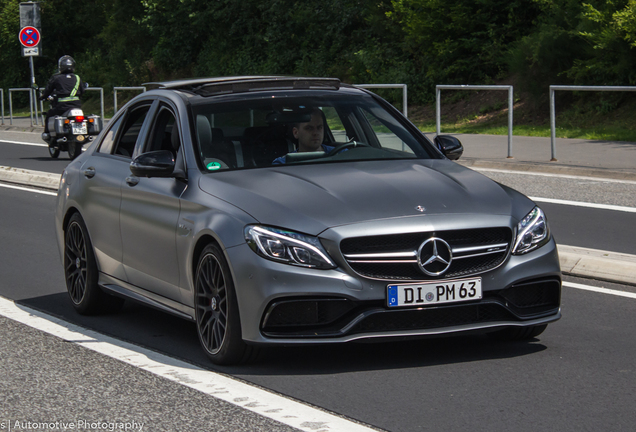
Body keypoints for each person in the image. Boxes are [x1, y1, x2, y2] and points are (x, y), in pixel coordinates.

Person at [40, 55, 86, 142]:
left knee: (50, 114)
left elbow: (48, 90)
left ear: (60, 67)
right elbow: (82, 91)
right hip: (76, 105)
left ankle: (48, 135)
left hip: (62, 106)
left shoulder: (56, 78)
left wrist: (43, 96)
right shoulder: (77, 77)